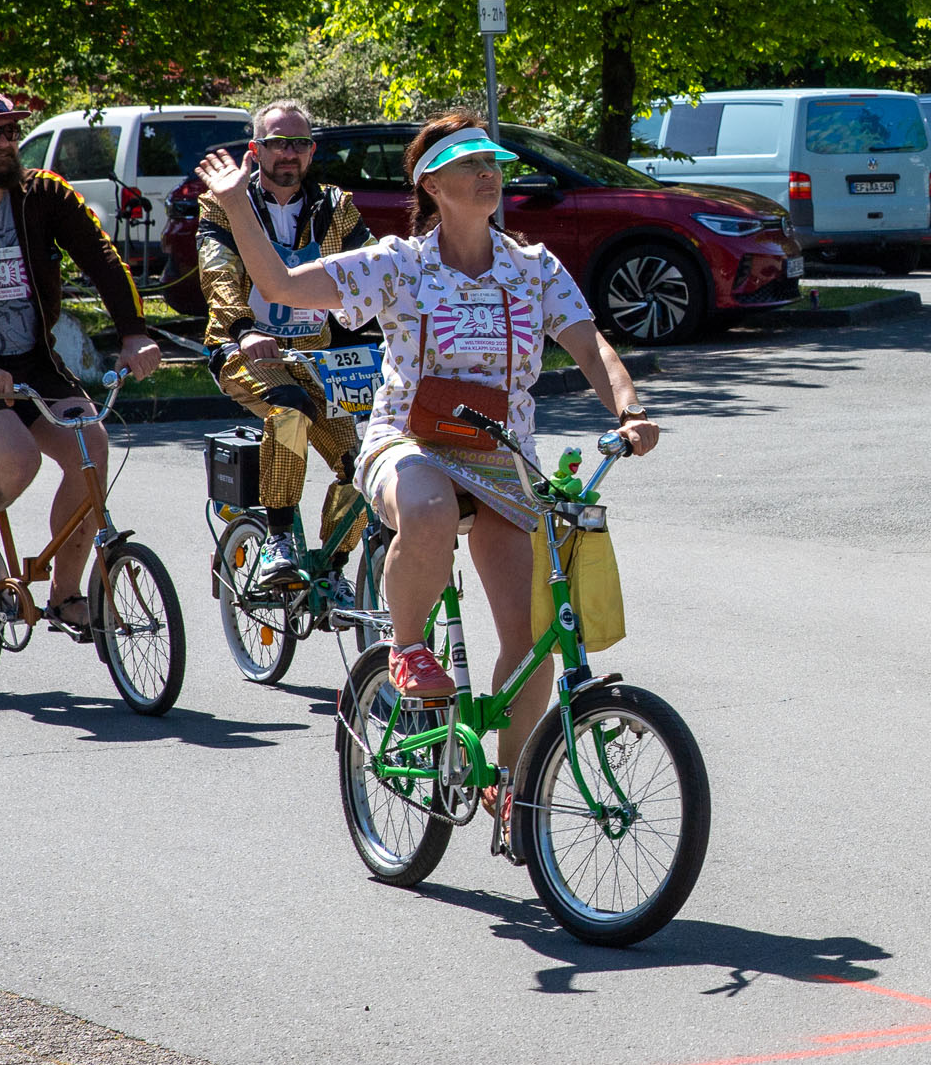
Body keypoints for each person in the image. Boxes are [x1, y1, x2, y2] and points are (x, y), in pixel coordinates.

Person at [197, 110, 659, 804]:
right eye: (471, 165)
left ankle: (511, 792)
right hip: (404, 443)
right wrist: (237, 206)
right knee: (428, 504)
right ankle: (408, 648)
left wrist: (628, 409)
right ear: (432, 185)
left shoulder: (534, 268)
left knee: (531, 639)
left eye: (493, 165)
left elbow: (591, 346)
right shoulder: (398, 264)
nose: (488, 175)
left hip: (503, 458)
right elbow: (287, 289)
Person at [0, 87, 160, 629]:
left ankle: (66, 597)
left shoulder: (45, 193)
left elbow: (103, 258)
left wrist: (134, 334)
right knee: (19, 459)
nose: (2, 142)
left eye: (9, 131)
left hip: (33, 364)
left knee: (91, 446)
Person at [199, 99, 373, 599]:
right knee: (290, 410)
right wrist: (243, 329)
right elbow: (217, 274)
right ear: (256, 150)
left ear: (312, 150)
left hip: (315, 357)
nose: (289, 154)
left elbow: (370, 268)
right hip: (243, 352)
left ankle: (333, 565)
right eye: (277, 143)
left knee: (363, 462)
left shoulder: (335, 207)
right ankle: (278, 541)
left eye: (299, 143)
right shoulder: (224, 202)